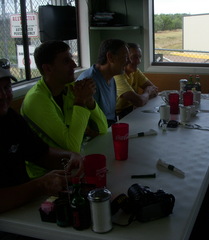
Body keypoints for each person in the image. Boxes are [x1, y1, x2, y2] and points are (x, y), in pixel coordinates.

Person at [0, 59, 83, 214]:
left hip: (25, 208)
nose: (2, 96)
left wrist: (72, 157)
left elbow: (41, 153)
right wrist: (40, 185)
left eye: (6, 87)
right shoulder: (37, 98)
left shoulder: (10, 119)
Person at [21, 41, 108, 178]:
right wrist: (80, 101)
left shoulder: (68, 89)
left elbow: (103, 128)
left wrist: (89, 100)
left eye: (72, 59)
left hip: (71, 167)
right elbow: (71, 148)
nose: (74, 65)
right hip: (45, 178)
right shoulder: (36, 100)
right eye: (66, 61)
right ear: (48, 69)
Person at [77, 39, 129, 126]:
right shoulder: (89, 82)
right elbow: (88, 125)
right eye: (125, 57)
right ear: (110, 57)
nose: (129, 62)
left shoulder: (112, 78)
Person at [114, 43, 158, 119]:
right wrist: (147, 92)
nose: (139, 61)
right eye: (134, 57)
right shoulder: (118, 75)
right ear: (125, 58)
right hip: (118, 116)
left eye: (139, 57)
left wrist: (141, 98)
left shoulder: (135, 71)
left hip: (132, 110)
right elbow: (139, 101)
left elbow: (154, 89)